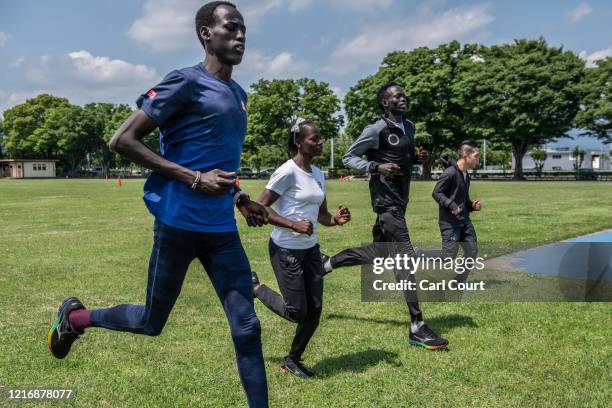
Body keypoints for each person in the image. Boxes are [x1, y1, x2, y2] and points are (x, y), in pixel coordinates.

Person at [47, 2, 270, 406]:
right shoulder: (184, 82)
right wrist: (194, 179)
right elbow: (122, 140)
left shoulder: (239, 95)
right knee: (151, 322)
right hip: (178, 224)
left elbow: (218, 161)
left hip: (221, 231)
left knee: (247, 326)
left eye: (243, 30)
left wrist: (239, 197)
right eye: (230, 28)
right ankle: (76, 318)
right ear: (206, 33)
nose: (240, 36)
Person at [321, 82, 448, 350]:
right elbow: (348, 157)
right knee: (405, 258)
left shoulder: (409, 127)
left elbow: (402, 158)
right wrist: (376, 166)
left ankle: (326, 264)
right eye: (397, 96)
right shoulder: (376, 129)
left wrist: (416, 158)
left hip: (400, 202)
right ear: (384, 103)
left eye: (404, 94)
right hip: (385, 203)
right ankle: (417, 325)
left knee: (378, 252)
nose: (403, 98)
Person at [251, 118, 351, 378]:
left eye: (320, 138)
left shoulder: (318, 174)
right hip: (285, 249)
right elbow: (259, 207)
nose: (319, 142)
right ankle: (255, 287)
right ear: (298, 142)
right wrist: (292, 224)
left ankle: (292, 360)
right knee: (297, 312)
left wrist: (336, 221)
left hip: (310, 250)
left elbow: (322, 215)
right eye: (314, 138)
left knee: (314, 311)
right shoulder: (287, 171)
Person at [432, 141, 481, 284]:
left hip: (464, 220)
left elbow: (463, 199)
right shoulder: (450, 173)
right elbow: (436, 193)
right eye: (476, 156)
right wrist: (452, 206)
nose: (477, 160)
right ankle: (416, 254)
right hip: (449, 221)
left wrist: (471, 206)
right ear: (465, 155)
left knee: (472, 250)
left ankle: (458, 282)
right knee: (448, 256)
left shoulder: (466, 175)